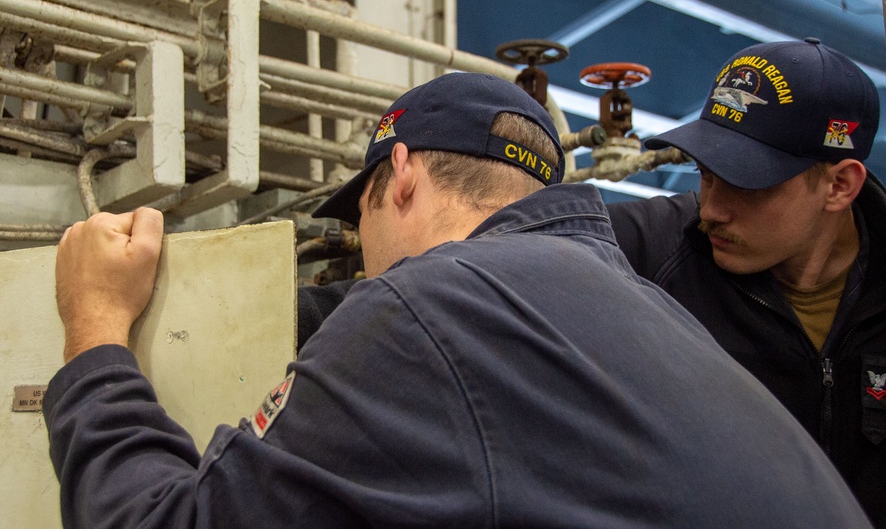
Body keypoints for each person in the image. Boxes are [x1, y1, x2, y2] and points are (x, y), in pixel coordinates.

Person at [45, 72, 871, 528]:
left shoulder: (425, 307)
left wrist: (94, 331)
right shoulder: (637, 302)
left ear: (398, 174)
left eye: (358, 210)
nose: (363, 264)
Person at [609, 37, 886, 526]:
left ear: (840, 185)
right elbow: (521, 240)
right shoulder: (659, 248)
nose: (711, 210)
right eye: (706, 174)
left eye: (746, 182)